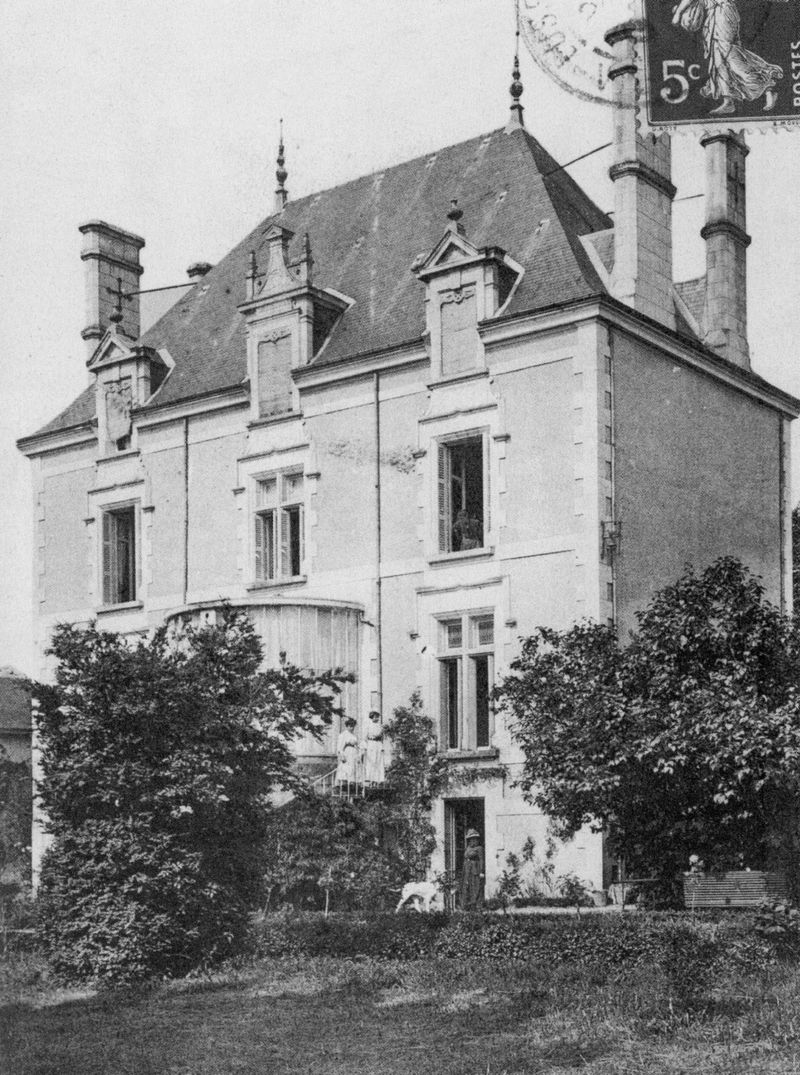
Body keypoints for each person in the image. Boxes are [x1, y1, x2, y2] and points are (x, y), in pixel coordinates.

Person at [672, 0, 783, 114]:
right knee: (719, 57)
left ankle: (766, 85)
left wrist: (678, 13)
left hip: (722, 14)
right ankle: (728, 101)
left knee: (729, 56)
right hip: (714, 14)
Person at [458, 828, 485, 911]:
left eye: (474, 839)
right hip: (467, 870)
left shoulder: (479, 848)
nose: (472, 841)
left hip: (475, 870)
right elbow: (466, 857)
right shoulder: (468, 848)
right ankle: (466, 905)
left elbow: (481, 860)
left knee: (476, 887)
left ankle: (477, 905)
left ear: (477, 840)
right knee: (466, 887)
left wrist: (481, 871)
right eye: (471, 839)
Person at [361, 710, 385, 786]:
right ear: (371, 717)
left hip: (378, 744)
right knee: (371, 761)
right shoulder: (368, 725)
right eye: (375, 716)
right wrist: (364, 748)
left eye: (377, 717)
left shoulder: (380, 726)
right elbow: (364, 737)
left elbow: (382, 736)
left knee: (379, 761)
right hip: (371, 744)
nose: (376, 718)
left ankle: (378, 780)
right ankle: (371, 780)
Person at [335, 715, 359, 787]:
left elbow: (356, 745)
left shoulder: (354, 735)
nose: (352, 728)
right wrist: (342, 755)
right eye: (350, 726)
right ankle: (344, 785)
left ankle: (352, 784)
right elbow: (340, 747)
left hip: (353, 753)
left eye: (353, 726)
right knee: (346, 768)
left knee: (353, 767)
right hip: (347, 753)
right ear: (347, 726)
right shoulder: (343, 735)